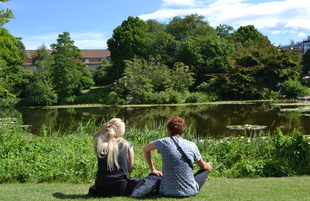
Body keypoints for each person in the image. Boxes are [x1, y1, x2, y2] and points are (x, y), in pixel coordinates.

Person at [142, 116, 213, 197]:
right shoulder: (191, 145)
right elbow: (203, 166)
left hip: (166, 191)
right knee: (205, 170)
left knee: (156, 176)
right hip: (189, 191)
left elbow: (145, 149)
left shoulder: (162, 142)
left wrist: (153, 169)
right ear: (182, 130)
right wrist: (209, 166)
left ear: (169, 130)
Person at [88, 118, 139, 197]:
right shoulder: (128, 145)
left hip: (100, 187)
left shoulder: (101, 144)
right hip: (120, 187)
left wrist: (102, 129)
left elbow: (95, 136)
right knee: (139, 181)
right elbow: (130, 169)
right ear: (122, 131)